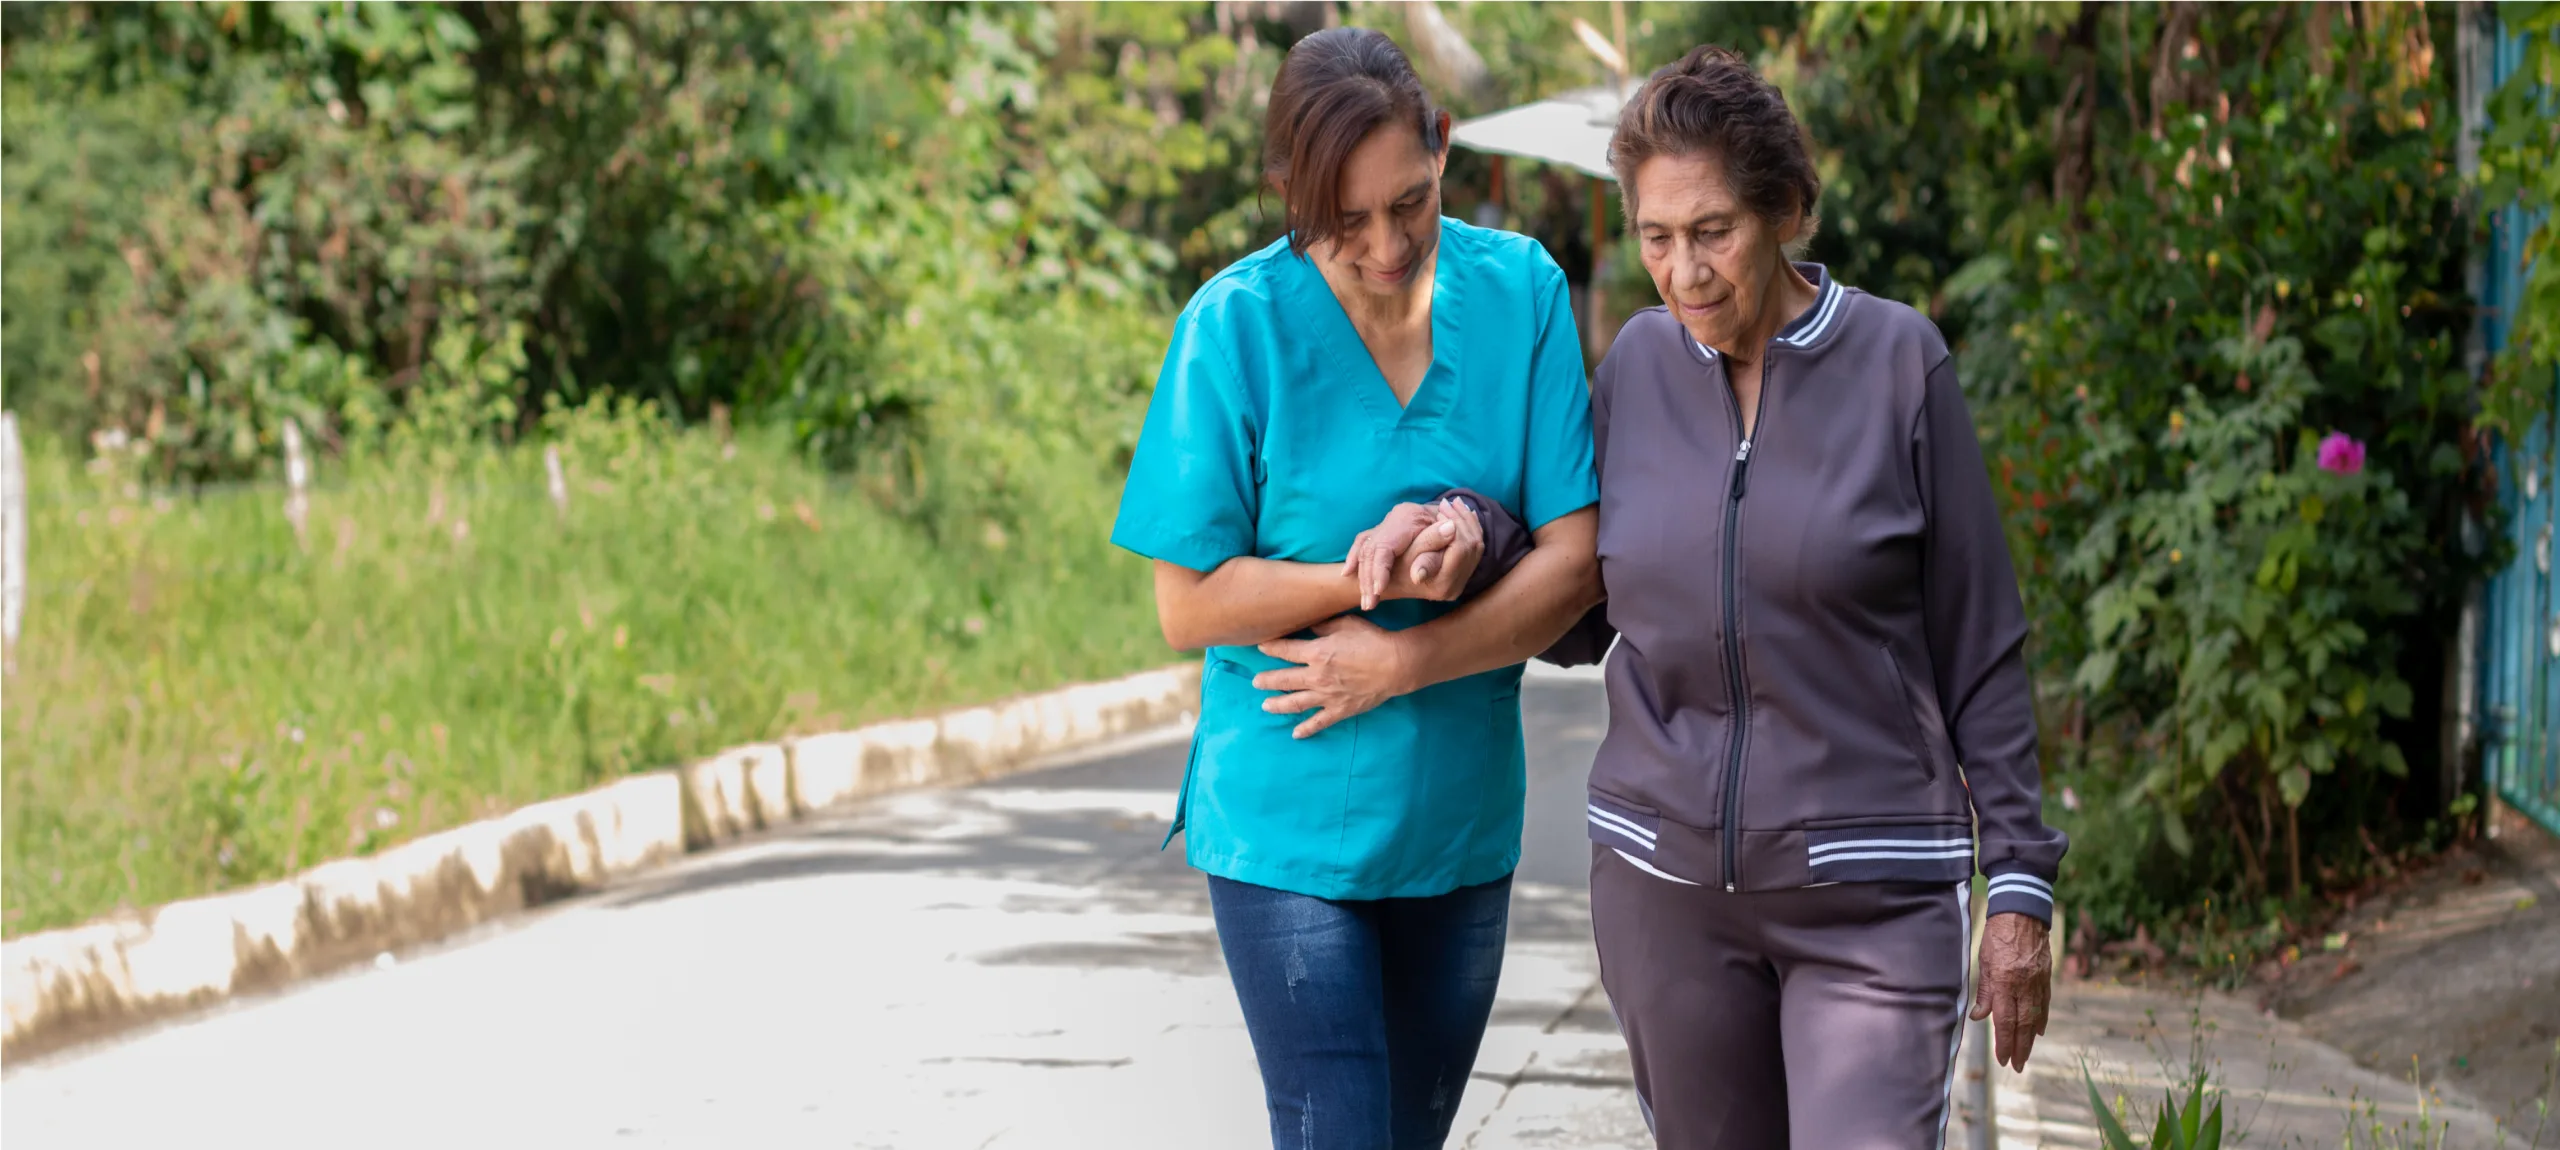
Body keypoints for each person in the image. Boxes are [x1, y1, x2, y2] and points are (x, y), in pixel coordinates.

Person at [1323, 44, 2069, 1149]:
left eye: (1712, 230)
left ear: (1782, 210)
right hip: (1666, 891)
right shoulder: (1635, 367)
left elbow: (1980, 644)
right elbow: (1583, 594)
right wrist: (1464, 534)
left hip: (1870, 887)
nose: (1684, 273)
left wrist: (2017, 884)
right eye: (1655, 238)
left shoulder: (1897, 366)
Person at [1107, 27, 1603, 1150]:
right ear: (1292, 192)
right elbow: (1186, 602)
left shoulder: (1520, 292)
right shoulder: (1232, 328)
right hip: (1282, 821)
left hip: (1457, 818)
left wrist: (1404, 658)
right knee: (1338, 1126)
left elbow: (1576, 562)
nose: (1386, 245)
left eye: (1411, 204)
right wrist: (1359, 575)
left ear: (1440, 148)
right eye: (1345, 222)